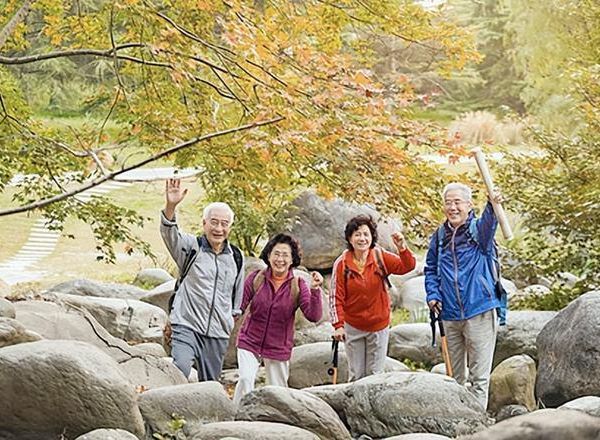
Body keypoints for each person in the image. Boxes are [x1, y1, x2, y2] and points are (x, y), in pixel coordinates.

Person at [424, 182, 503, 411]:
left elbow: (491, 220)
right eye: (448, 202)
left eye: (458, 202)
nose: (453, 207)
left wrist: (491, 203)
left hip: (479, 309)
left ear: (469, 205)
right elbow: (430, 269)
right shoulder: (439, 236)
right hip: (449, 314)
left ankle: (477, 427)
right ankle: (458, 420)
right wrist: (433, 294)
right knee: (454, 379)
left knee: (479, 379)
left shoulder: (479, 232)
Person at [160, 178, 244, 381]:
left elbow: (237, 297)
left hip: (217, 332)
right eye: (214, 222)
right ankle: (172, 410)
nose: (218, 228)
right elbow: (170, 234)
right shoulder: (191, 247)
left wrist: (230, 318)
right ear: (204, 223)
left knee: (210, 385)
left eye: (224, 224)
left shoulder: (236, 256)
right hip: (186, 324)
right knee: (180, 369)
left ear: (230, 228)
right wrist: (171, 206)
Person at [233, 233, 323, 405]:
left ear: (292, 260)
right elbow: (239, 307)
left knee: (278, 392)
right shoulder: (255, 278)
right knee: (245, 379)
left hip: (278, 346)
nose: (280, 259)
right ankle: (237, 416)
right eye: (276, 253)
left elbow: (313, 315)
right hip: (250, 340)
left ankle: (276, 426)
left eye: (285, 255)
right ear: (268, 255)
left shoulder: (298, 285)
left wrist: (316, 291)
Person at [329, 215, 416, 381]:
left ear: (372, 237)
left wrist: (402, 248)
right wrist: (338, 325)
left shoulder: (379, 256)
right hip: (353, 325)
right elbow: (335, 297)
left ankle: (371, 407)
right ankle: (354, 407)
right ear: (350, 238)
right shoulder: (342, 263)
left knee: (375, 375)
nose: (362, 238)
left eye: (366, 234)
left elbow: (407, 266)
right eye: (357, 234)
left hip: (378, 325)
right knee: (356, 375)